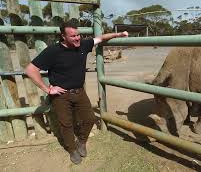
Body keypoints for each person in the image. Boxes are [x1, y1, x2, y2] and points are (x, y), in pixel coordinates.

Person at [25, 21, 128, 164]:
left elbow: (101, 38)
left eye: (78, 35)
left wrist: (119, 34)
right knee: (66, 125)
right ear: (63, 36)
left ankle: (81, 142)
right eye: (73, 36)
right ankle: (72, 150)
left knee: (90, 119)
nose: (77, 38)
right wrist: (47, 89)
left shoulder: (84, 45)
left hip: (80, 92)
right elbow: (30, 70)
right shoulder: (53, 51)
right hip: (61, 96)